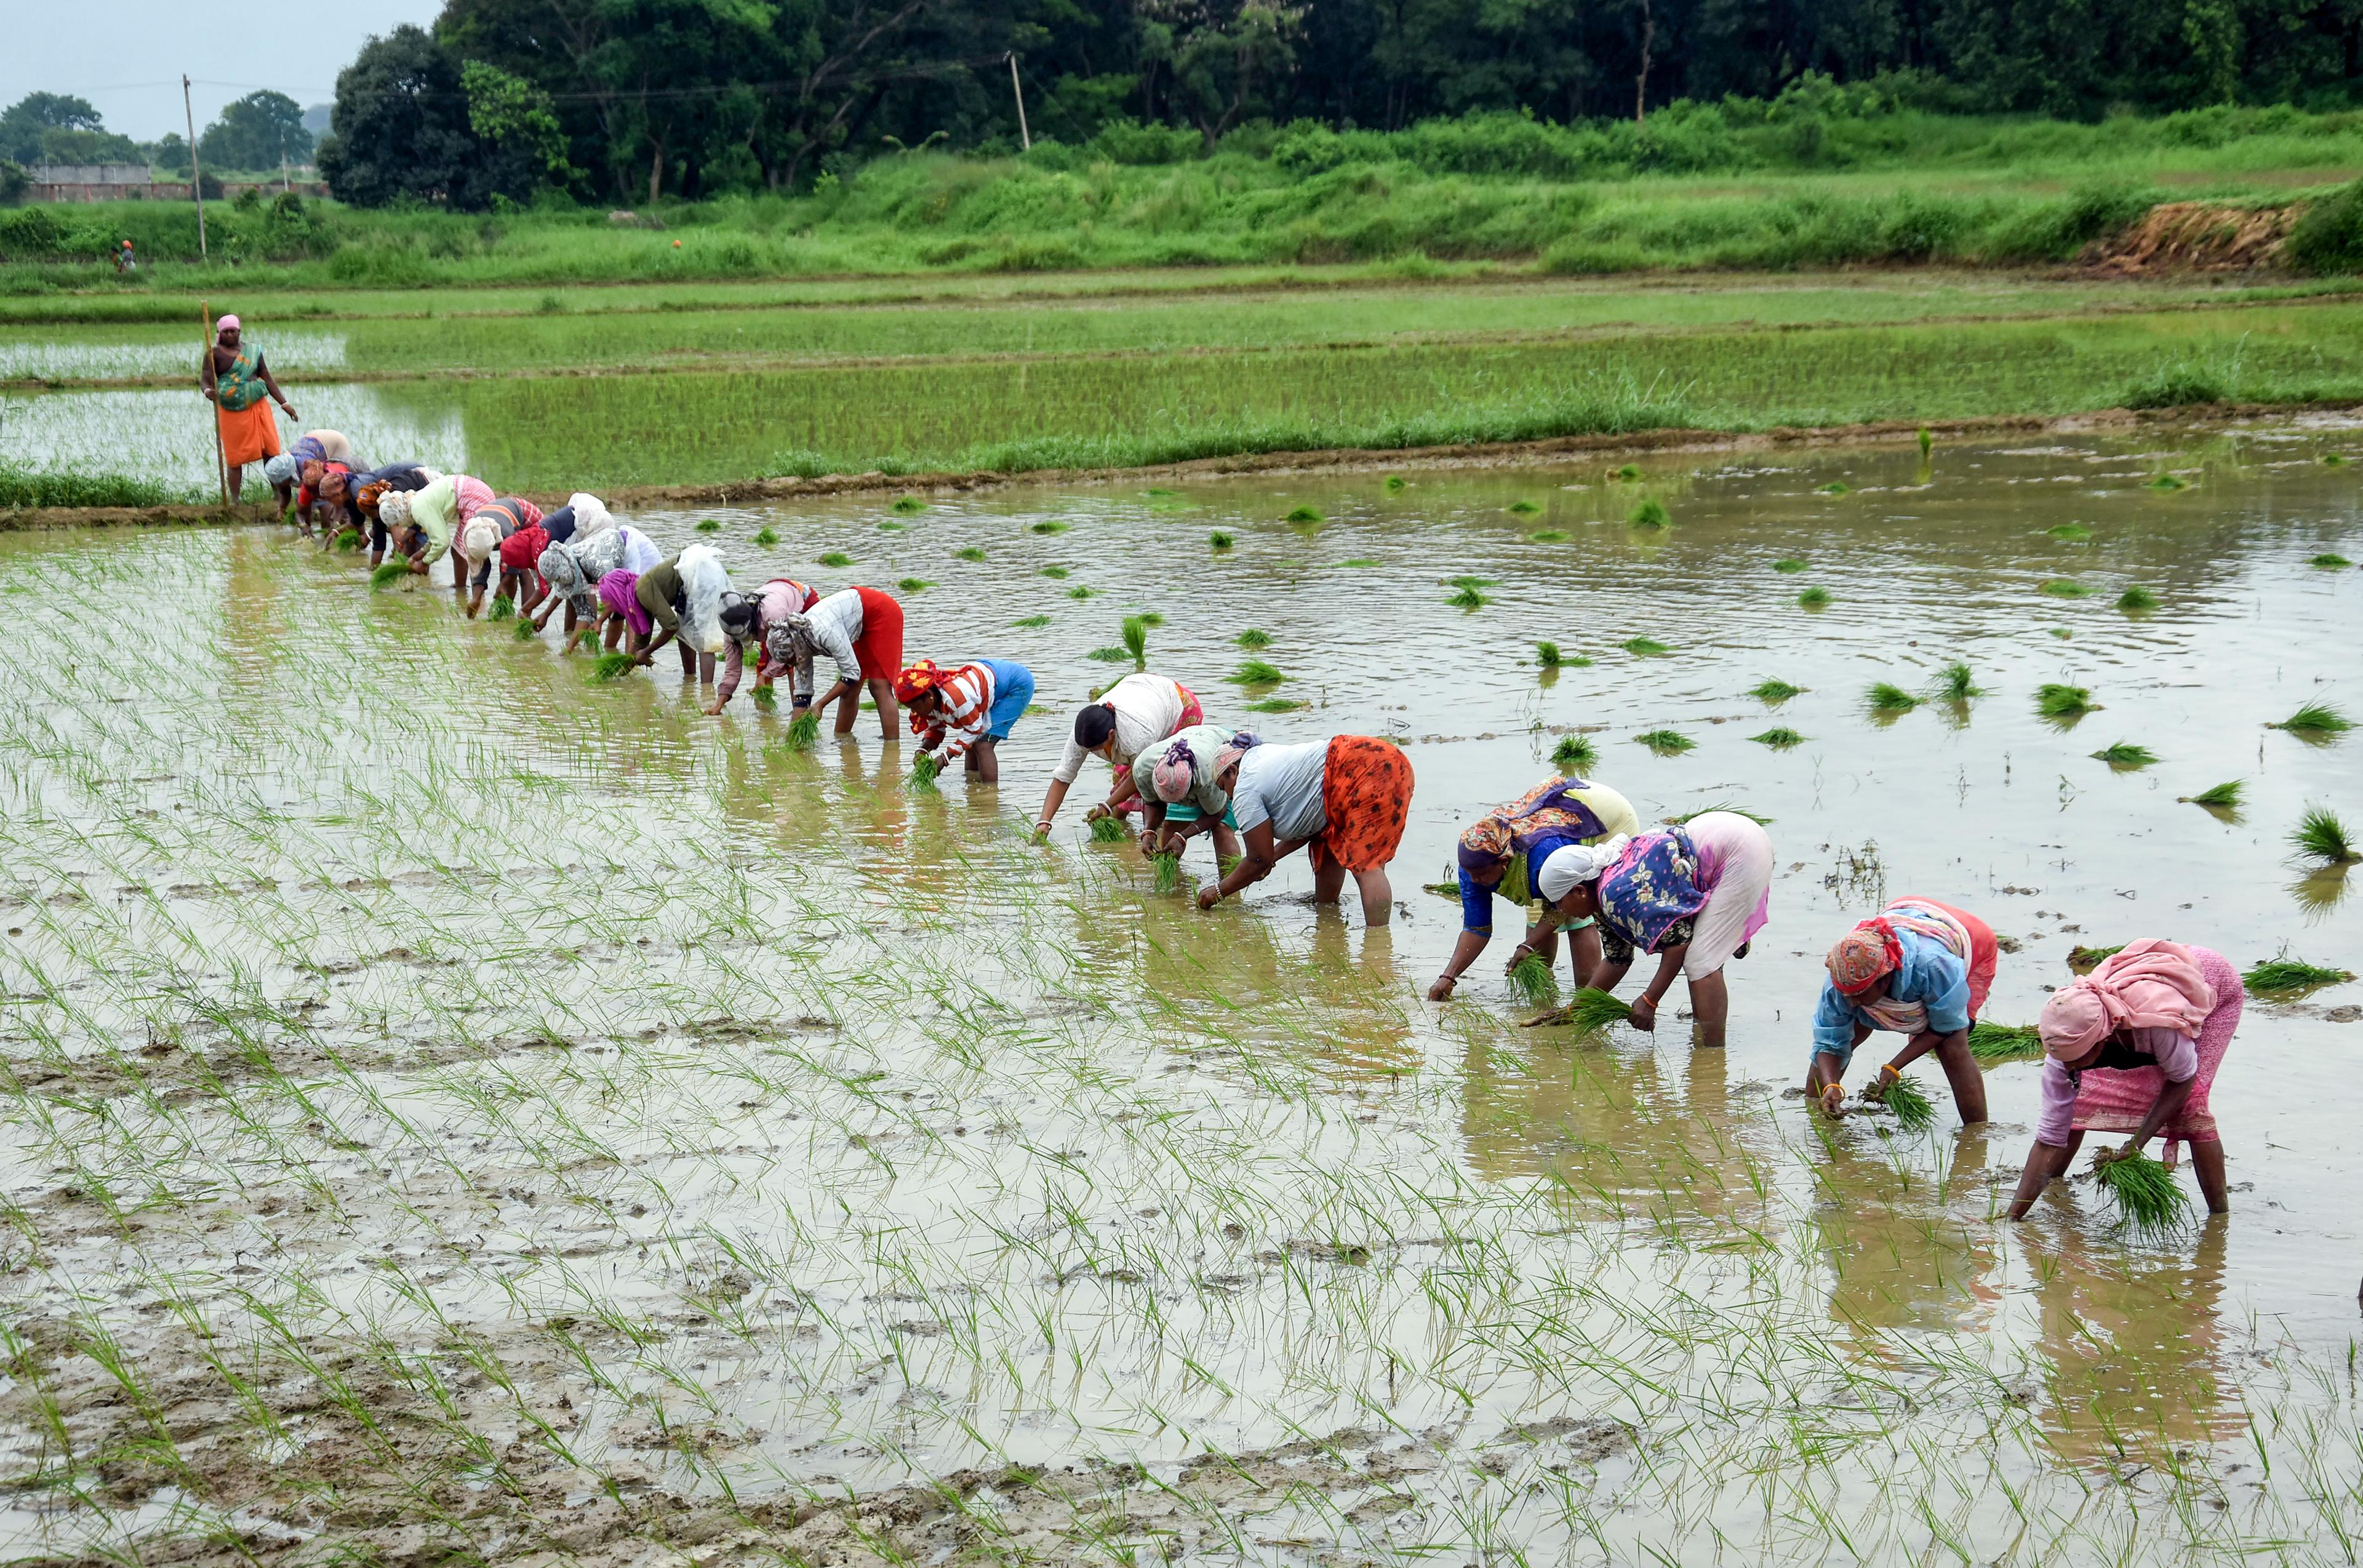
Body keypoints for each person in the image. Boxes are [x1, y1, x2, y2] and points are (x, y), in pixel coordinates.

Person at [2005, 939, 2241, 1221]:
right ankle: (2053, 1181)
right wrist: (2012, 1217)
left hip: (2211, 985)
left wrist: (2137, 1143)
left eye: (2077, 1059)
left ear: (2103, 1039)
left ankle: (2219, 1217)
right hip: (2150, 979)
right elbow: (2049, 1137)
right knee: (2081, 1099)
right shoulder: (2063, 1048)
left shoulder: (2157, 1027)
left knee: (2191, 1107)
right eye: (2064, 1060)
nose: (2069, 1067)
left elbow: (2182, 1078)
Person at [1530, 810, 1773, 1048]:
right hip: (1720, 838)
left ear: (1580, 891)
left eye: (1559, 903)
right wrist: (1575, 1008)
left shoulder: (1615, 895)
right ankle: (1702, 1034)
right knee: (1702, 954)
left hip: (1737, 850)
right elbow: (1617, 960)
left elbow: (1678, 943)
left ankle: (1711, 1056)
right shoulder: (1603, 902)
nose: (1561, 911)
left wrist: (1650, 1000)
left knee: (1701, 961)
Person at [1426, 774, 1641, 1002]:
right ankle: (1543, 995)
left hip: (1602, 816)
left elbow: (1565, 907)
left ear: (1504, 862)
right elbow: (1476, 929)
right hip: (1548, 831)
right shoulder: (1473, 867)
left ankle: (1587, 999)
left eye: (1479, 875)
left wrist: (1527, 946)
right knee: (1538, 915)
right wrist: (1448, 977)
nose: (1474, 880)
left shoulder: (1542, 854)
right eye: (1469, 873)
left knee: (1581, 910)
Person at [1807, 898, 1998, 1124]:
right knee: (1854, 1026)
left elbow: (1946, 1027)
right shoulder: (1841, 980)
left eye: (1860, 994)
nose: (1853, 1001)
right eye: (1847, 994)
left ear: (1884, 978)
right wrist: (1831, 1084)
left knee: (1952, 1047)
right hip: (1907, 910)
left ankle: (1976, 1135)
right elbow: (1829, 1041)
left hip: (1972, 938)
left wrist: (1894, 1067)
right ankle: (1815, 1112)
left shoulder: (1934, 967)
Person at [1194, 734, 1414, 926]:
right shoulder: (1262, 758)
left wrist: (1218, 892)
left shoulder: (1245, 787)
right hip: (1386, 759)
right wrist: (1272, 859)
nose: (1229, 797)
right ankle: (1329, 918)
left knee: (1367, 866)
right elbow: (1308, 826)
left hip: (1362, 770)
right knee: (1330, 840)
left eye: (1224, 787)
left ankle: (1378, 949)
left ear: (1232, 771)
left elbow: (1258, 859)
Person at [1034, 671, 1207, 837]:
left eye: (1095, 749)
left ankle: (1157, 831)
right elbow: (1063, 777)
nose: (1091, 752)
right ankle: (1120, 823)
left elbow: (1140, 775)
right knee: (1121, 777)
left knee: (1163, 780)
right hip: (1142, 693)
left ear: (1111, 735)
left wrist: (1106, 805)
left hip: (1178, 706)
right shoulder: (1082, 733)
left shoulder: (1136, 737)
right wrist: (1044, 821)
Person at [767, 586, 905, 739]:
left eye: (792, 661)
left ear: (795, 649)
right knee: (849, 690)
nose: (794, 665)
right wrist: (793, 737)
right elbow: (802, 695)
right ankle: (842, 739)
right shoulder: (799, 642)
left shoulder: (824, 632)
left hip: (881, 611)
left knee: (879, 686)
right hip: (856, 620)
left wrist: (821, 704)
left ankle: (892, 749)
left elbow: (851, 674)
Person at [199, 314, 295, 503]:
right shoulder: (214, 354)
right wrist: (208, 391)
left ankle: (278, 498)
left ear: (239, 331)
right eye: (225, 331)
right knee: (235, 457)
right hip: (231, 410)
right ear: (219, 333)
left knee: (271, 452)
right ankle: (235, 501)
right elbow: (205, 378)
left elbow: (266, 377)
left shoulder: (253, 351)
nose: (229, 334)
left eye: (232, 331)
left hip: (258, 406)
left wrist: (284, 403)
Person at [897, 658, 1034, 782]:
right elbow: (936, 729)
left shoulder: (956, 698)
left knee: (983, 744)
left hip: (1016, 684)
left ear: (929, 696)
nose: (915, 712)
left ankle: (990, 796)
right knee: (971, 744)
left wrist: (945, 758)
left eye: (915, 707)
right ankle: (972, 785)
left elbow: (974, 729)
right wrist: (922, 751)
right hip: (989, 678)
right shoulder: (930, 700)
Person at [1132, 723, 1247, 868]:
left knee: (1222, 828)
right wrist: (1149, 831)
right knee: (1171, 824)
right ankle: (1169, 883)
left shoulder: (1207, 776)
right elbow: (1154, 804)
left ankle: (1228, 887)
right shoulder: (1143, 769)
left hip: (1226, 752)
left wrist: (1183, 837)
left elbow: (1217, 813)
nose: (1179, 802)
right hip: (1196, 743)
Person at [544, 519, 663, 649]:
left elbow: (616, 594)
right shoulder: (573, 574)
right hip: (615, 567)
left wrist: (600, 621)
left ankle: (633, 659)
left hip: (636, 552)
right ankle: (611, 651)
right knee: (617, 614)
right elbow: (585, 614)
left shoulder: (594, 563)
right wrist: (568, 650)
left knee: (632, 606)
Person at [709, 577, 818, 713]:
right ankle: (766, 712)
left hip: (802, 600)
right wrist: (719, 703)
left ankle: (800, 711)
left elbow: (788, 649)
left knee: (795, 661)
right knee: (764, 664)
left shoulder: (771, 614)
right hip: (774, 608)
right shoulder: (731, 628)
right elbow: (733, 668)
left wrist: (765, 676)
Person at [630, 546, 731, 678]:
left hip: (702, 577)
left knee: (703, 638)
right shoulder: (640, 596)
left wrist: (647, 652)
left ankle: (707, 693)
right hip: (696, 576)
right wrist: (625, 666)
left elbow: (671, 626)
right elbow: (642, 640)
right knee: (684, 631)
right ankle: (690, 678)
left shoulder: (643, 590)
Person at [391, 473, 493, 590]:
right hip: (476, 493)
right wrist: (421, 553)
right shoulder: (418, 500)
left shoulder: (418, 509)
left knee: (469, 549)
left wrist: (424, 563)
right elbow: (437, 536)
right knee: (460, 550)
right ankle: (461, 589)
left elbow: (443, 542)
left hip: (474, 497)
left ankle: (474, 595)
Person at [351, 462, 436, 567]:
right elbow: (379, 544)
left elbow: (419, 522)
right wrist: (373, 571)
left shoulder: (397, 500)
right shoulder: (378, 507)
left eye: (370, 514)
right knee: (408, 549)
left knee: (420, 545)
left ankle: (423, 576)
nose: (371, 518)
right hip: (412, 510)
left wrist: (401, 542)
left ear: (376, 507)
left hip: (428, 488)